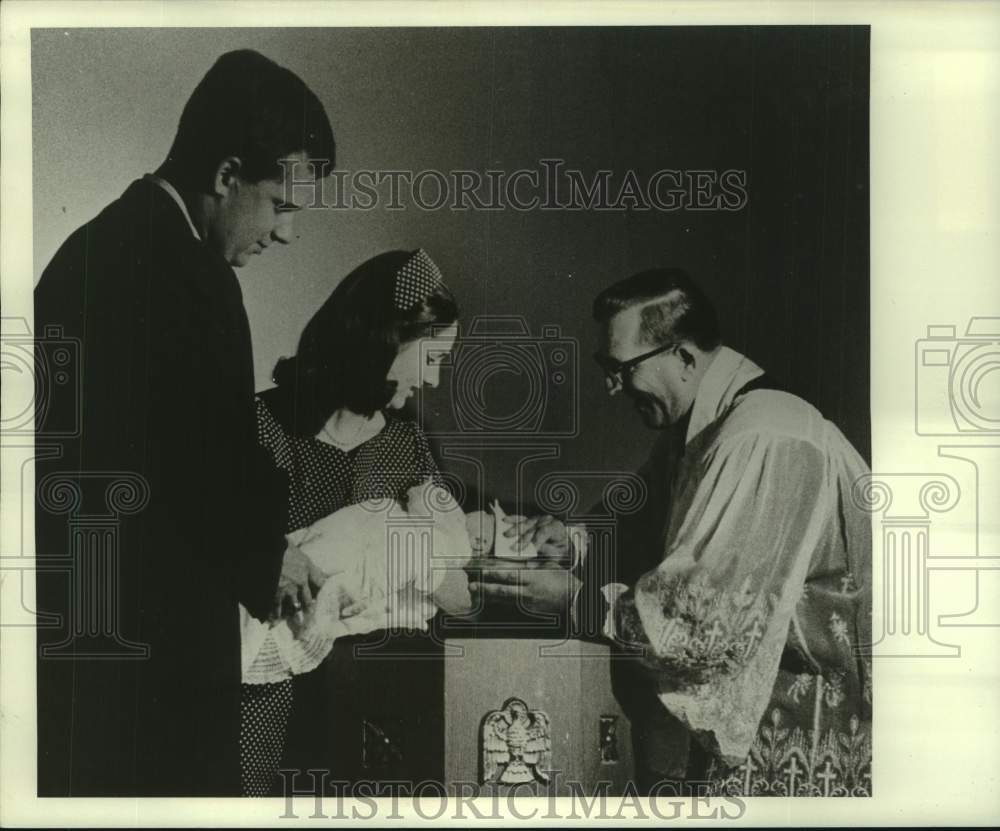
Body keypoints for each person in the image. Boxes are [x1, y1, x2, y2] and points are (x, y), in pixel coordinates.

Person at [34, 49, 335, 796]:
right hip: (162, 662)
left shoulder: (83, 253)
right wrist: (269, 555)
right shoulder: (199, 284)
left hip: (75, 643)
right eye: (281, 204)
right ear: (228, 174)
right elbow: (209, 470)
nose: (286, 234)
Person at [474, 268, 873, 796]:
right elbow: (640, 521)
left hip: (804, 728)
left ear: (683, 357)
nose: (612, 386)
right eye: (605, 367)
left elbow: (703, 626)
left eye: (622, 369)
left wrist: (576, 602)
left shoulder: (763, 436)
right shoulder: (706, 426)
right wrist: (571, 541)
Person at [238, 249, 463, 795]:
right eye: (430, 357)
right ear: (385, 339)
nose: (433, 379)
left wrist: (405, 561)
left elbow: (458, 589)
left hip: (374, 705)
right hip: (266, 702)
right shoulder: (260, 427)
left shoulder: (408, 445)